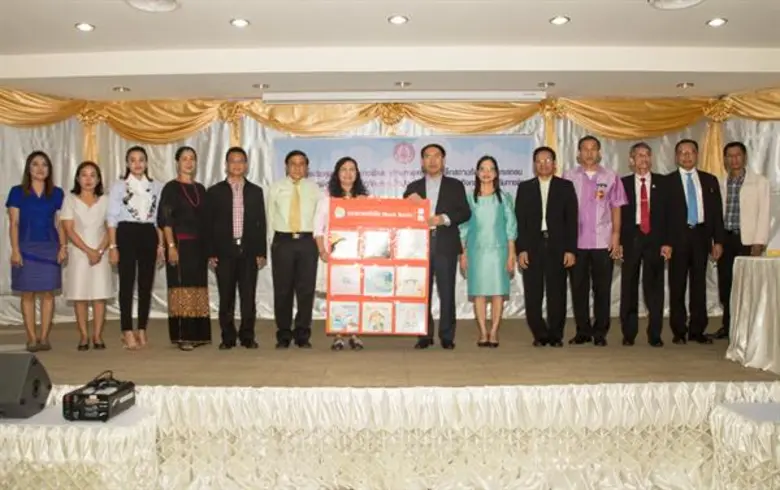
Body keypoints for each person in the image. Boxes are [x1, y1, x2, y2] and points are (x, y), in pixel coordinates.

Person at [403, 143, 471, 350]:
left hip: (445, 245)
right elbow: (404, 216)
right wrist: (408, 205)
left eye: (436, 156)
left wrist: (444, 218)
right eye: (427, 156)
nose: (432, 160)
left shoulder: (455, 185)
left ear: (443, 160)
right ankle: (423, 335)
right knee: (421, 292)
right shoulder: (413, 188)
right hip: (419, 246)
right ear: (422, 161)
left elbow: (465, 213)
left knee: (447, 291)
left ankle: (447, 336)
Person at [563, 135, 627, 347]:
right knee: (578, 289)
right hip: (577, 243)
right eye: (585, 149)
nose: (589, 153)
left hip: (603, 242)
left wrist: (616, 237)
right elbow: (563, 211)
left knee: (602, 289)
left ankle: (600, 332)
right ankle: (582, 331)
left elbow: (616, 207)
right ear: (578, 153)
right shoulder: (568, 177)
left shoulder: (611, 176)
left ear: (599, 152)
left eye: (593, 149)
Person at [516, 146, 578, 347]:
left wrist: (570, 249)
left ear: (555, 163)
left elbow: (572, 221)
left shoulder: (566, 186)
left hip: (558, 246)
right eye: (539, 161)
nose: (544, 164)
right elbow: (520, 222)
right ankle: (539, 334)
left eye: (548, 160)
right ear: (534, 165)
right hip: (532, 246)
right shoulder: (524, 188)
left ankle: (555, 334)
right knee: (533, 293)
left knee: (557, 293)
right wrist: (521, 249)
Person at [206, 147, 267, 350]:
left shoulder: (255, 191)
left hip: (249, 251)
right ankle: (228, 337)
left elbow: (261, 223)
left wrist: (261, 252)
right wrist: (211, 253)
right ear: (226, 165)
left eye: (241, 161)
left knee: (248, 297)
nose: (237, 164)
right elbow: (209, 224)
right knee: (226, 297)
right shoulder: (215, 192)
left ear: (246, 165)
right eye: (233, 161)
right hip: (224, 252)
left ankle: (248, 336)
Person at [5, 151, 67, 352]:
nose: (40, 169)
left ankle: (44, 336)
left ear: (49, 170)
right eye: (35, 164)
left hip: (50, 247)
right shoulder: (17, 192)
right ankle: (31, 337)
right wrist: (15, 250)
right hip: (25, 247)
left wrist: (63, 247)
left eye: (44, 165)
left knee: (48, 294)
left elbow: (60, 224)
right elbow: (14, 223)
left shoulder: (57, 193)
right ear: (28, 169)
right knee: (28, 294)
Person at [666, 139, 724, 344]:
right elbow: (663, 216)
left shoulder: (710, 180)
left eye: (690, 152)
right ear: (676, 157)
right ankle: (679, 331)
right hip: (677, 239)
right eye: (682, 152)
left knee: (699, 285)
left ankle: (697, 330)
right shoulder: (668, 181)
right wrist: (666, 242)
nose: (686, 156)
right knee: (677, 285)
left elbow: (717, 213)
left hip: (701, 237)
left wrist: (718, 241)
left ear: (697, 155)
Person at [107, 146, 165, 350]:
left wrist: (160, 244)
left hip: (148, 233)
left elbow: (159, 218)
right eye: (133, 160)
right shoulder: (119, 187)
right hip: (126, 232)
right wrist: (113, 245)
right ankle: (126, 330)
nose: (137, 164)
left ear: (147, 163)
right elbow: (112, 218)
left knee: (146, 284)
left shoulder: (157, 186)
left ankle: (142, 327)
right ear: (127, 163)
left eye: (141, 160)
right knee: (127, 282)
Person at [458, 156, 517, 348]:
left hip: (499, 252)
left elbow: (511, 228)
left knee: (498, 293)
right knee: (479, 294)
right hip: (476, 252)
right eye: (482, 169)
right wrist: (463, 253)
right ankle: (483, 332)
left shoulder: (504, 198)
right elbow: (464, 229)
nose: (486, 172)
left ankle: (494, 332)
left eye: (491, 169)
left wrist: (511, 254)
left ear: (496, 173)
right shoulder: (469, 199)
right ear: (476, 173)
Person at [714, 141, 770, 339]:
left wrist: (759, 242)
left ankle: (747, 329)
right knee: (726, 284)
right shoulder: (720, 182)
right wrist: (716, 241)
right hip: (725, 240)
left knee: (747, 286)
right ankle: (728, 327)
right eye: (729, 156)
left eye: (738, 155)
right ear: (725, 159)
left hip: (747, 240)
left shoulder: (760, 182)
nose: (734, 159)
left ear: (745, 157)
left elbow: (764, 213)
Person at [618, 143, 672, 348]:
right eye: (639, 156)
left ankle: (655, 333)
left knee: (655, 289)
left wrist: (668, 242)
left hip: (656, 240)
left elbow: (670, 216)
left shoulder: (664, 183)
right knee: (629, 287)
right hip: (631, 240)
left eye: (647, 155)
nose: (644, 159)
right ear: (631, 160)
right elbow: (617, 216)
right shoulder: (621, 183)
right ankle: (629, 333)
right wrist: (619, 242)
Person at [158, 146, 212, 351]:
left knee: (198, 288)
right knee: (181, 289)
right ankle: (183, 336)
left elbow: (207, 221)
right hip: (180, 244)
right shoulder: (170, 188)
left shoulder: (201, 189)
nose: (189, 162)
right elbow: (165, 220)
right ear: (177, 163)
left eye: (192, 159)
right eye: (184, 159)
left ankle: (199, 334)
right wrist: (170, 246)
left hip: (199, 247)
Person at [267, 150, 321, 349]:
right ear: (286, 166)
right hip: (283, 242)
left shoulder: (315, 189)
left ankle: (302, 334)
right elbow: (269, 217)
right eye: (293, 163)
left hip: (307, 242)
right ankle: (283, 334)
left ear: (307, 167)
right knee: (283, 290)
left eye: (301, 164)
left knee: (306, 290)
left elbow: (321, 218)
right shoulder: (276, 188)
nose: (297, 167)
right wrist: (270, 246)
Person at [314, 156, 369, 350]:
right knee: (337, 295)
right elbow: (318, 228)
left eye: (352, 169)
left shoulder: (363, 198)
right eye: (343, 169)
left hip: (357, 256)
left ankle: (355, 334)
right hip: (335, 255)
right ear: (337, 174)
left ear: (357, 173)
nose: (348, 173)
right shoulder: (327, 198)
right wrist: (322, 250)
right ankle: (338, 335)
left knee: (355, 294)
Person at [61, 161, 112, 351]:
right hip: (79, 253)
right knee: (80, 296)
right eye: (84, 175)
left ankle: (97, 335)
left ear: (98, 179)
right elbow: (68, 229)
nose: (88, 179)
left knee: (99, 296)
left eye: (93, 175)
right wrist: (88, 251)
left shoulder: (106, 200)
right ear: (77, 178)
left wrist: (99, 250)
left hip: (101, 252)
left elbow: (110, 228)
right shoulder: (70, 199)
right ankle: (83, 335)